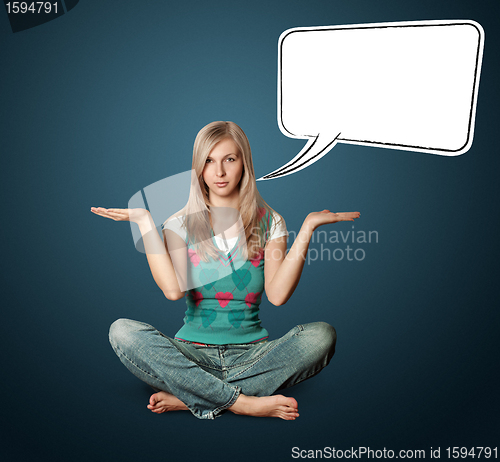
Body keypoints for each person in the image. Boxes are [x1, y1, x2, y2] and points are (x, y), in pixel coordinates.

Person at [91, 121, 360, 420]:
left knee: (321, 336)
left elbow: (278, 295)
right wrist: (143, 222)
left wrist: (308, 228)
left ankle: (192, 395)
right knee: (123, 332)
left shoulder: (271, 222)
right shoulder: (179, 224)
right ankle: (242, 403)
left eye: (229, 159)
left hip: (253, 356)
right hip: (190, 355)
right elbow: (171, 290)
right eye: (209, 161)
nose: (219, 172)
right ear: (199, 168)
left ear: (244, 162)